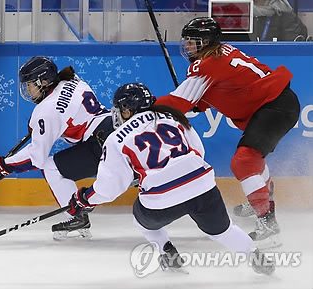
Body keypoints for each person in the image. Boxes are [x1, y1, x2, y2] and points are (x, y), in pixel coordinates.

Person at [66, 82, 275, 275]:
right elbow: (197, 152)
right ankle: (255, 256)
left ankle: (168, 254)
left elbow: (109, 188)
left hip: (161, 200)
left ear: (128, 110)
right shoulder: (174, 118)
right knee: (223, 231)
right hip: (202, 186)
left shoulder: (116, 139)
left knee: (143, 223)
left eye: (120, 110)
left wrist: (84, 199)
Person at [154, 17, 300, 248]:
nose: (188, 46)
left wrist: (146, 106)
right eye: (188, 41)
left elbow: (178, 102)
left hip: (274, 106)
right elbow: (207, 97)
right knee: (251, 159)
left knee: (244, 162)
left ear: (208, 41)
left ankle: (268, 227)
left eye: (194, 41)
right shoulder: (218, 55)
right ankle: (261, 201)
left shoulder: (206, 64)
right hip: (277, 103)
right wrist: (191, 102)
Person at [0, 56, 114, 240]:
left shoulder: (46, 110)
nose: (27, 90)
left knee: (51, 167)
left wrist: (3, 166)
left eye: (29, 85)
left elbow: (37, 158)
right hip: (112, 129)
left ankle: (77, 215)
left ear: (43, 82)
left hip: (100, 144)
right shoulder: (71, 79)